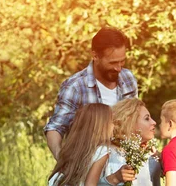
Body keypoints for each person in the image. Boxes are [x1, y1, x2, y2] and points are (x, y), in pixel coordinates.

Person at [44, 27, 138, 160]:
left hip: (123, 166)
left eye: (122, 61)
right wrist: (63, 164)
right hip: (87, 166)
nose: (118, 68)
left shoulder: (128, 79)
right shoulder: (74, 87)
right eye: (113, 62)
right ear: (95, 56)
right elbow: (55, 128)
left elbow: (134, 123)